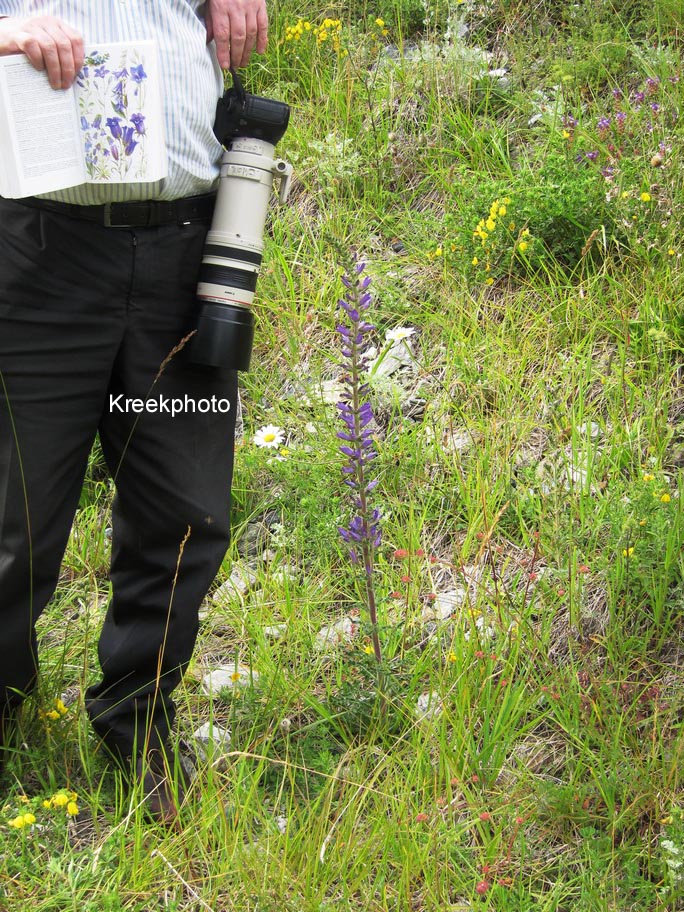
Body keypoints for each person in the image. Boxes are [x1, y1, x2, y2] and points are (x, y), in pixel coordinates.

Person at [0, 0, 267, 820]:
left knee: (182, 513)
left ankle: (136, 723)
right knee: (16, 525)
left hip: (186, 255)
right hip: (42, 252)